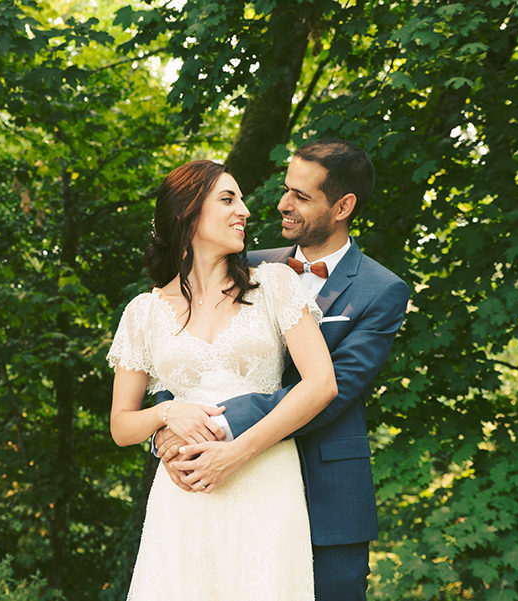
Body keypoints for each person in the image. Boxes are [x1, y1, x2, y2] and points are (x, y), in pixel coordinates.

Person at [155, 139, 410, 600]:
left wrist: (218, 422)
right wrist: (168, 426)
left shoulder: (381, 290)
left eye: (302, 196)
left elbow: (336, 389)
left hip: (326, 494)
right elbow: (176, 349)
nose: (281, 205)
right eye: (285, 189)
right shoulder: (246, 265)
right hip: (231, 487)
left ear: (343, 206)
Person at [108, 159, 337, 600]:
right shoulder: (143, 312)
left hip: (265, 482)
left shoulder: (273, 285)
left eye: (243, 200)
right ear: (187, 214)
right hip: (184, 495)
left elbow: (322, 383)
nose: (245, 211)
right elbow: (122, 426)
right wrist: (166, 411)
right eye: (228, 199)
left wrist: (234, 454)